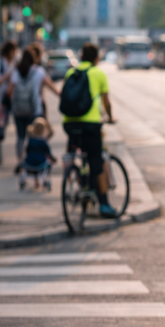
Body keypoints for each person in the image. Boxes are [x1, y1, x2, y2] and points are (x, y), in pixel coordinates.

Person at [62, 43, 117, 218]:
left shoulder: (71, 73)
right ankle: (104, 205)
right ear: (96, 58)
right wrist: (110, 117)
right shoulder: (98, 73)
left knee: (75, 154)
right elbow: (106, 102)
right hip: (90, 125)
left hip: (69, 124)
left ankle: (78, 182)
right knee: (96, 162)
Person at [7, 47, 58, 167]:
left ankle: (20, 161)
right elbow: (50, 85)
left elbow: (9, 92)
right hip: (35, 110)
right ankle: (35, 161)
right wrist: (60, 94)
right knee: (35, 137)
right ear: (34, 59)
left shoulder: (16, 72)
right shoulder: (39, 71)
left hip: (19, 110)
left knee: (20, 137)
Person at [0, 41, 18, 165]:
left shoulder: (15, 63)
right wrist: (8, 75)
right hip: (1, 100)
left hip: (14, 99)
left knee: (18, 127)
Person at [18, 116, 56, 191]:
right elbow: (48, 153)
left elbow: (27, 151)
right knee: (48, 163)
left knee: (29, 165)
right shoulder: (44, 142)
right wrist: (53, 159)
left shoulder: (30, 140)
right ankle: (45, 179)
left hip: (29, 162)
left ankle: (35, 181)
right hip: (40, 163)